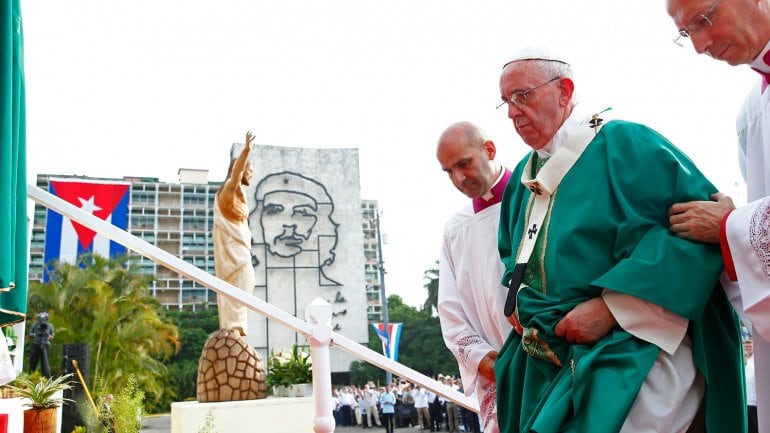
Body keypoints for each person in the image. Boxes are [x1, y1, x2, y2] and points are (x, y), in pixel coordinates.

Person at [493, 46, 745, 433]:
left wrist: (614, 308)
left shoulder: (625, 145)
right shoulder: (524, 181)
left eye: (522, 96)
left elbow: (700, 232)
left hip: (627, 346)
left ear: (564, 90)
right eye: (506, 101)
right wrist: (515, 293)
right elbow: (513, 259)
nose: (512, 111)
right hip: (540, 357)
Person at [664, 1, 770, 430]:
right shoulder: (751, 109)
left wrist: (730, 226)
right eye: (687, 32)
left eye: (704, 19)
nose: (700, 45)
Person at [435, 121, 512, 433]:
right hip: (496, 370)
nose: (459, 179)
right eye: (448, 171)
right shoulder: (456, 228)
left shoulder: (540, 198)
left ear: (489, 150)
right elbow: (450, 310)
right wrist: (483, 360)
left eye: (463, 164)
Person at [213, 131, 256, 336]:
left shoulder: (239, 195)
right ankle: (233, 332)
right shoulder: (229, 191)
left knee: (243, 291)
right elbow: (235, 175)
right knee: (239, 290)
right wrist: (246, 150)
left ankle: (236, 332)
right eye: (250, 168)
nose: (252, 172)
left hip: (240, 250)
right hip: (233, 255)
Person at [27, 311, 54, 377]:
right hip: (36, 344)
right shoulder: (34, 325)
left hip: (45, 344)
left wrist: (47, 334)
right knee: (33, 361)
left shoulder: (50, 326)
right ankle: (31, 374)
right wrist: (34, 335)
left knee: (45, 362)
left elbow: (52, 336)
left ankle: (46, 377)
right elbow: (30, 334)